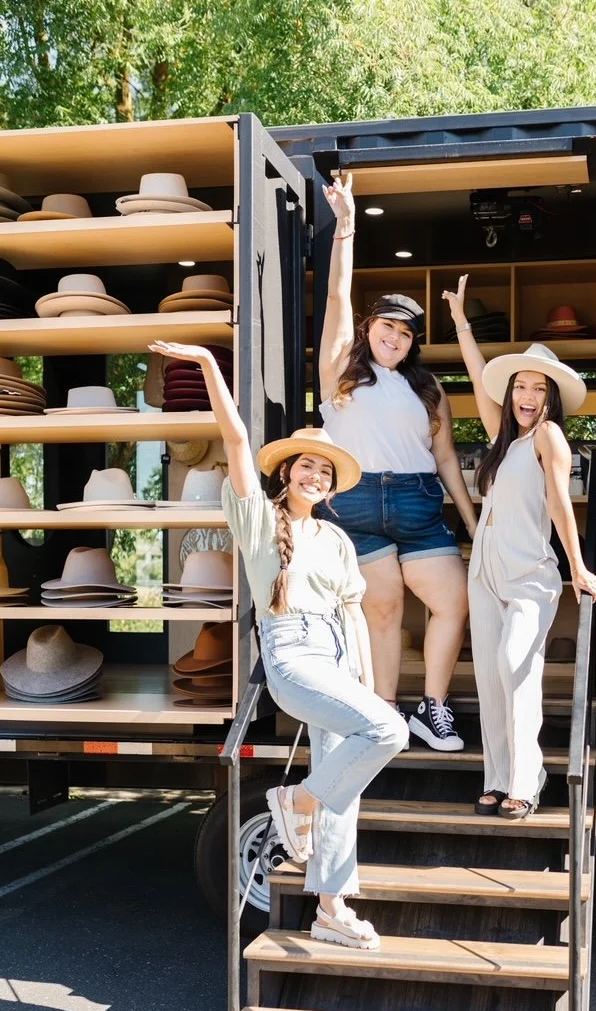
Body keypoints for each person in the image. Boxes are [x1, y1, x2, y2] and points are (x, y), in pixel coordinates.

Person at [150, 340, 409, 951]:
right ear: (285, 472)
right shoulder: (261, 522)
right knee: (387, 735)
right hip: (292, 656)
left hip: (339, 658)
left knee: (346, 781)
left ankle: (330, 907)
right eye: (305, 466)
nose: (314, 475)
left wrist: (370, 690)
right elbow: (236, 441)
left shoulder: (338, 540)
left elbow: (356, 616)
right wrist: (211, 368)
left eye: (325, 470)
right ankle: (296, 800)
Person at [317, 172, 478, 753]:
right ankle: (385, 713)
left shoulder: (429, 387)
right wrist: (346, 227)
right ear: (369, 327)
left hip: (417, 499)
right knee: (382, 612)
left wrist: (472, 520)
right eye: (388, 325)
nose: (397, 337)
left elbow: (446, 458)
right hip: (356, 499)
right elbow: (337, 296)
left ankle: (432, 708)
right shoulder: (340, 369)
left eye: (407, 333)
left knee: (452, 602)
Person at [442, 276, 596, 819]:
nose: (527, 397)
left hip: (529, 572)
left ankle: (527, 778)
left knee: (516, 667)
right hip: (483, 571)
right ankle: (498, 777)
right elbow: (473, 372)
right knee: (488, 676)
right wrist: (461, 319)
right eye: (520, 387)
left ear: (550, 396)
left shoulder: (549, 437)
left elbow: (560, 504)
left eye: (537, 389)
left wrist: (578, 567)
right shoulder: (503, 439)